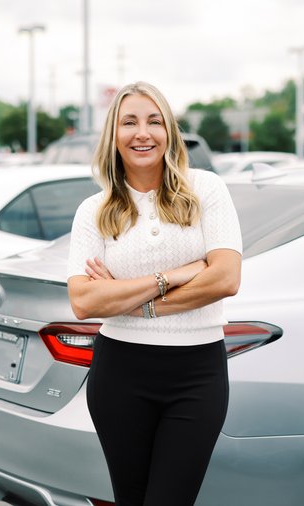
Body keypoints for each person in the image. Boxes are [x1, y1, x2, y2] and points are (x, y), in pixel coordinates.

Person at [67, 81, 242, 506]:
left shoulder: (206, 190)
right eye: (129, 122)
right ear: (114, 135)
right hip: (119, 373)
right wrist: (175, 276)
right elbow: (84, 303)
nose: (142, 133)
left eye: (154, 121)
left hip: (197, 374)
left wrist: (124, 297)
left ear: (170, 132)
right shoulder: (95, 210)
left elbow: (225, 279)